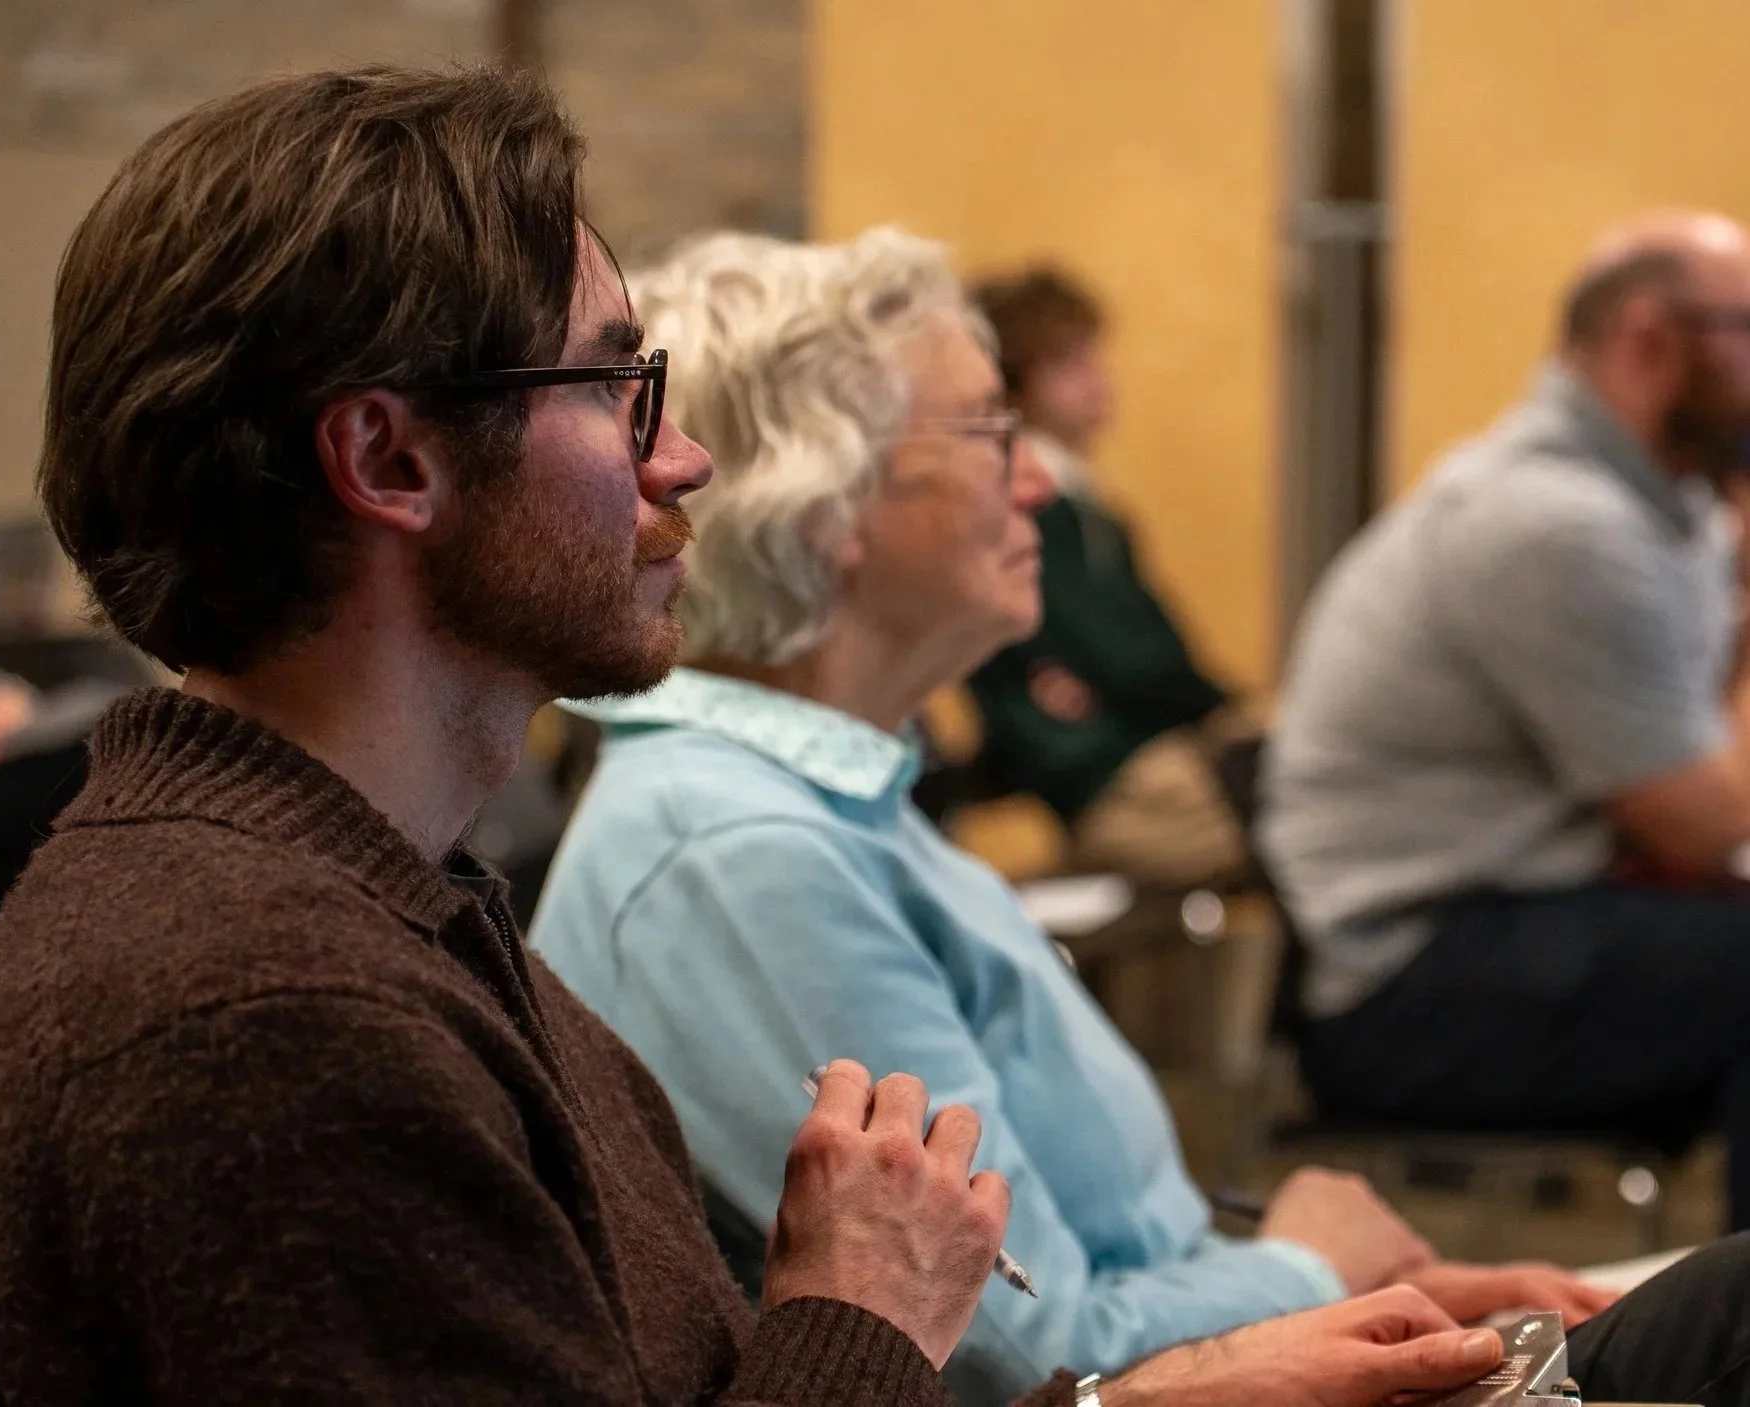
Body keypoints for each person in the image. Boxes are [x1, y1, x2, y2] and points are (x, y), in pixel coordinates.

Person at [0, 59, 1547, 1407]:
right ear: (391, 458)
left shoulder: (382, 909)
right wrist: (864, 1308)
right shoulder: (263, 1010)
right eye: (613, 385)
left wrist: (1127, 1388)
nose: (685, 458)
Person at [531, 226, 1750, 1407]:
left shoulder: (837, 807)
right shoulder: (740, 852)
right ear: (825, 500)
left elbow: (1103, 1249)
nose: (1035, 479)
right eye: (989, 432)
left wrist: (1379, 1288)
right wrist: (1310, 1266)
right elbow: (1026, 1355)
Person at [1260, 210, 1750, 1231]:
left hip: (1539, 915)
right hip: (1412, 979)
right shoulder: (1555, 524)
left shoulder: (1670, 506)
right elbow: (1708, 825)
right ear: (1651, 337)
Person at [964, 269, 1248, 886]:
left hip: (1145, 753)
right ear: (1011, 386)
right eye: (1067, 361)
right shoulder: (1039, 508)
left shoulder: (1089, 506)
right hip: (1109, 777)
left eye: (1094, 355)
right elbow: (1128, 657)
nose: (1098, 376)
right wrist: (1219, 708)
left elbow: (1142, 655)